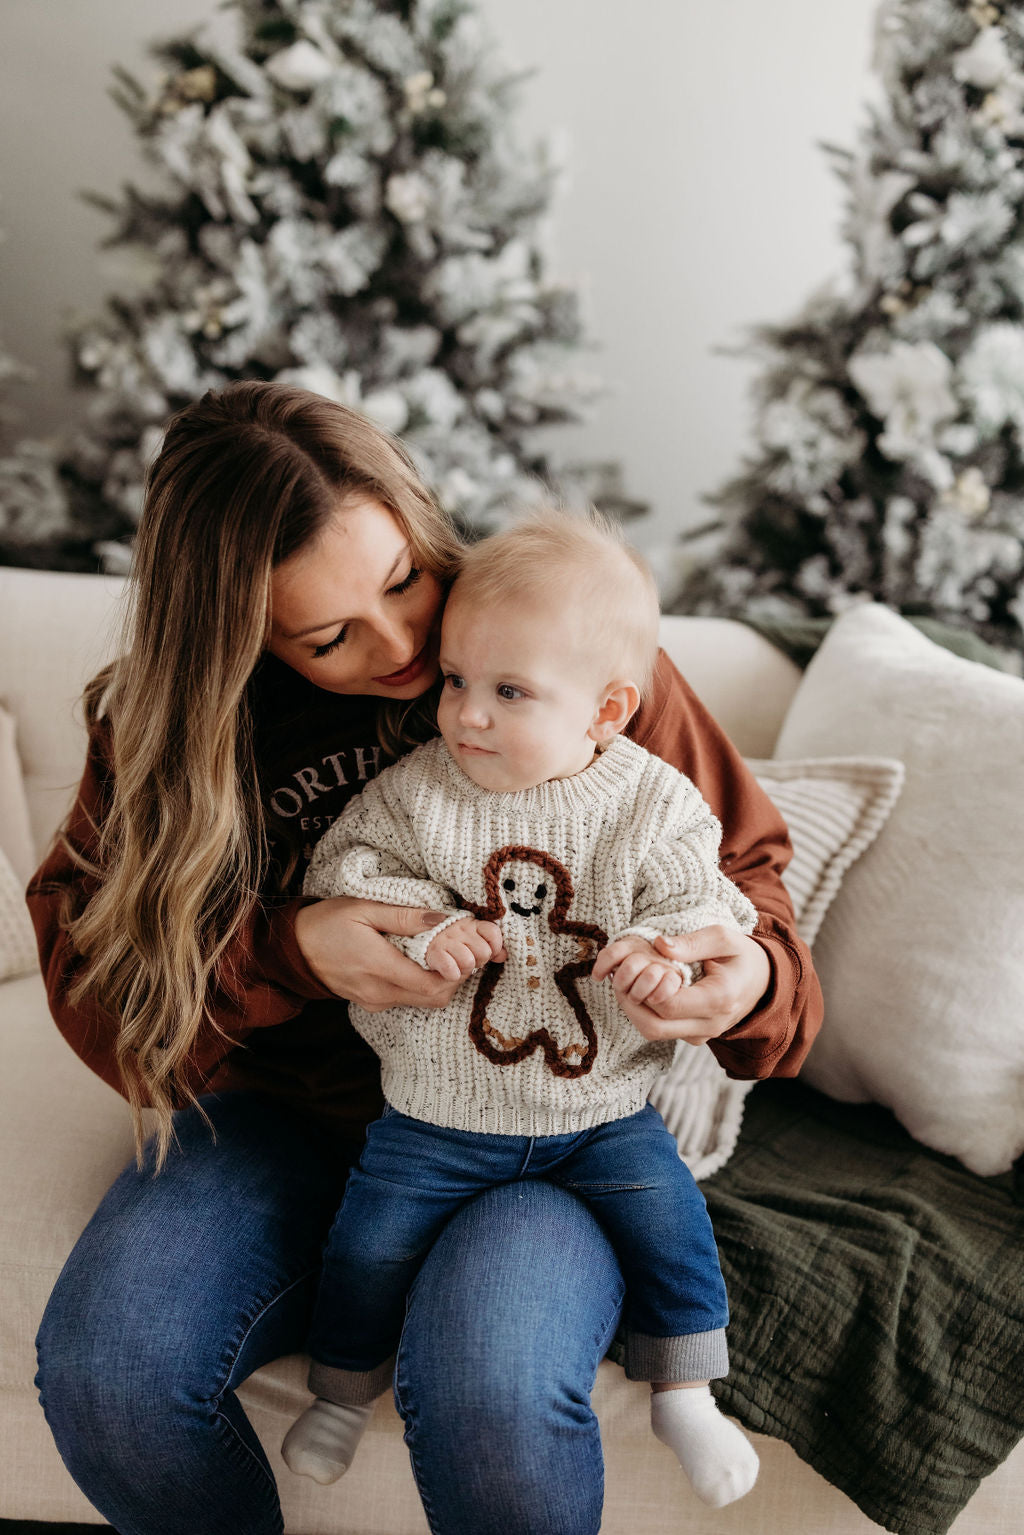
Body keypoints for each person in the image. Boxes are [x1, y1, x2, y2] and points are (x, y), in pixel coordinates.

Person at [27, 380, 822, 1535]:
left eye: (402, 580)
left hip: (540, 1121)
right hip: (287, 1119)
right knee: (112, 1376)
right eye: (327, 636)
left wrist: (745, 976)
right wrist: (291, 946)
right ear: (241, 639)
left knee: (490, 1390)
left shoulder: (548, 635)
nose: (406, 651)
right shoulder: (168, 726)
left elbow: (748, 893)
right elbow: (95, 971)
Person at [281, 507, 762, 1509]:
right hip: (433, 1115)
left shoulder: (650, 801)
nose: (465, 714)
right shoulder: (417, 792)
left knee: (673, 1227)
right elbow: (349, 874)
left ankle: (685, 1387)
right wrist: (420, 932)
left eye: (509, 691)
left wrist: (661, 951)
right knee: (367, 1243)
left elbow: (701, 893)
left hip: (601, 1116)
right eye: (457, 680)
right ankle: (339, 1383)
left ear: (607, 710)